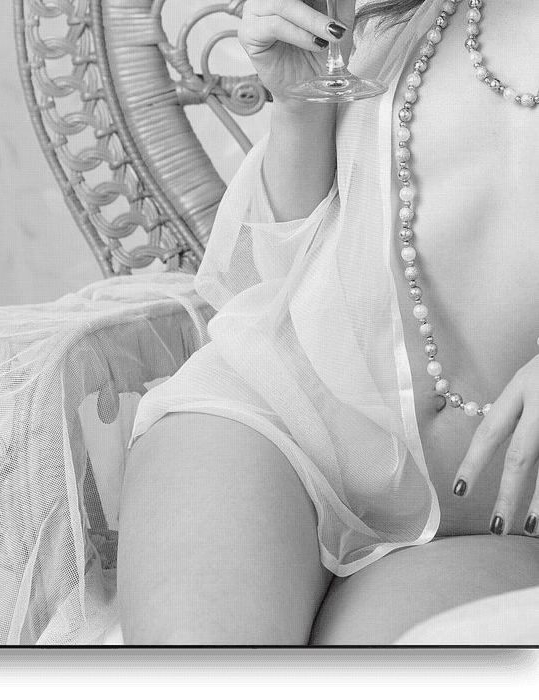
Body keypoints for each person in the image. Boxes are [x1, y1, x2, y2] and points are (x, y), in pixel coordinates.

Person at [116, 0, 539, 645]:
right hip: (294, 420)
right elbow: (274, 269)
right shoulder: (401, 16)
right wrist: (298, 104)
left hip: (503, 505)